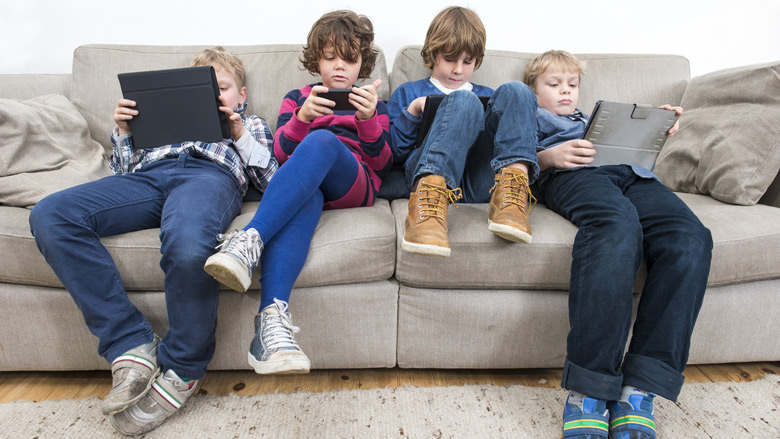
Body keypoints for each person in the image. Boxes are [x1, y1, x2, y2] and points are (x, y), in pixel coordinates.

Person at [28, 47, 277, 436]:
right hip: (147, 179)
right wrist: (125, 133)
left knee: (189, 244)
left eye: (222, 89)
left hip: (208, 178)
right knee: (50, 214)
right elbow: (121, 172)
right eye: (203, 92)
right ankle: (130, 344)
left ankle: (183, 367)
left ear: (241, 96)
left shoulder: (251, 123)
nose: (215, 98)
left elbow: (271, 181)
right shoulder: (157, 124)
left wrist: (238, 133)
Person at [524, 50, 713, 439]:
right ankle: (589, 390)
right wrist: (549, 157)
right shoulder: (529, 115)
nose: (565, 92)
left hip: (633, 175)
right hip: (573, 173)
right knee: (618, 228)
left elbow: (638, 152)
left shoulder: (596, 117)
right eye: (553, 84)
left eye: (571, 85)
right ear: (533, 89)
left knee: (691, 238)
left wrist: (654, 130)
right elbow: (512, 160)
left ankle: (639, 387)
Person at [203, 10, 391, 376]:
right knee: (306, 193)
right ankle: (271, 325)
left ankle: (249, 239)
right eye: (331, 57)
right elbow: (281, 159)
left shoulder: (373, 102)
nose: (340, 68)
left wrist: (368, 120)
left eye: (350, 59)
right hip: (310, 188)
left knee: (323, 141)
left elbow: (382, 164)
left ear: (362, 63)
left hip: (355, 182)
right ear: (316, 60)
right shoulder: (296, 98)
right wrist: (301, 118)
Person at [387, 6, 540, 257]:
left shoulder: (490, 98)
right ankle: (427, 211)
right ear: (432, 54)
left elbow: (517, 138)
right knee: (464, 101)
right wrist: (414, 111)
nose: (458, 70)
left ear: (476, 61)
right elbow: (392, 153)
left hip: (477, 183)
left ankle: (512, 200)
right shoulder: (408, 92)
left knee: (518, 91)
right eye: (449, 59)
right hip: (425, 179)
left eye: (467, 62)